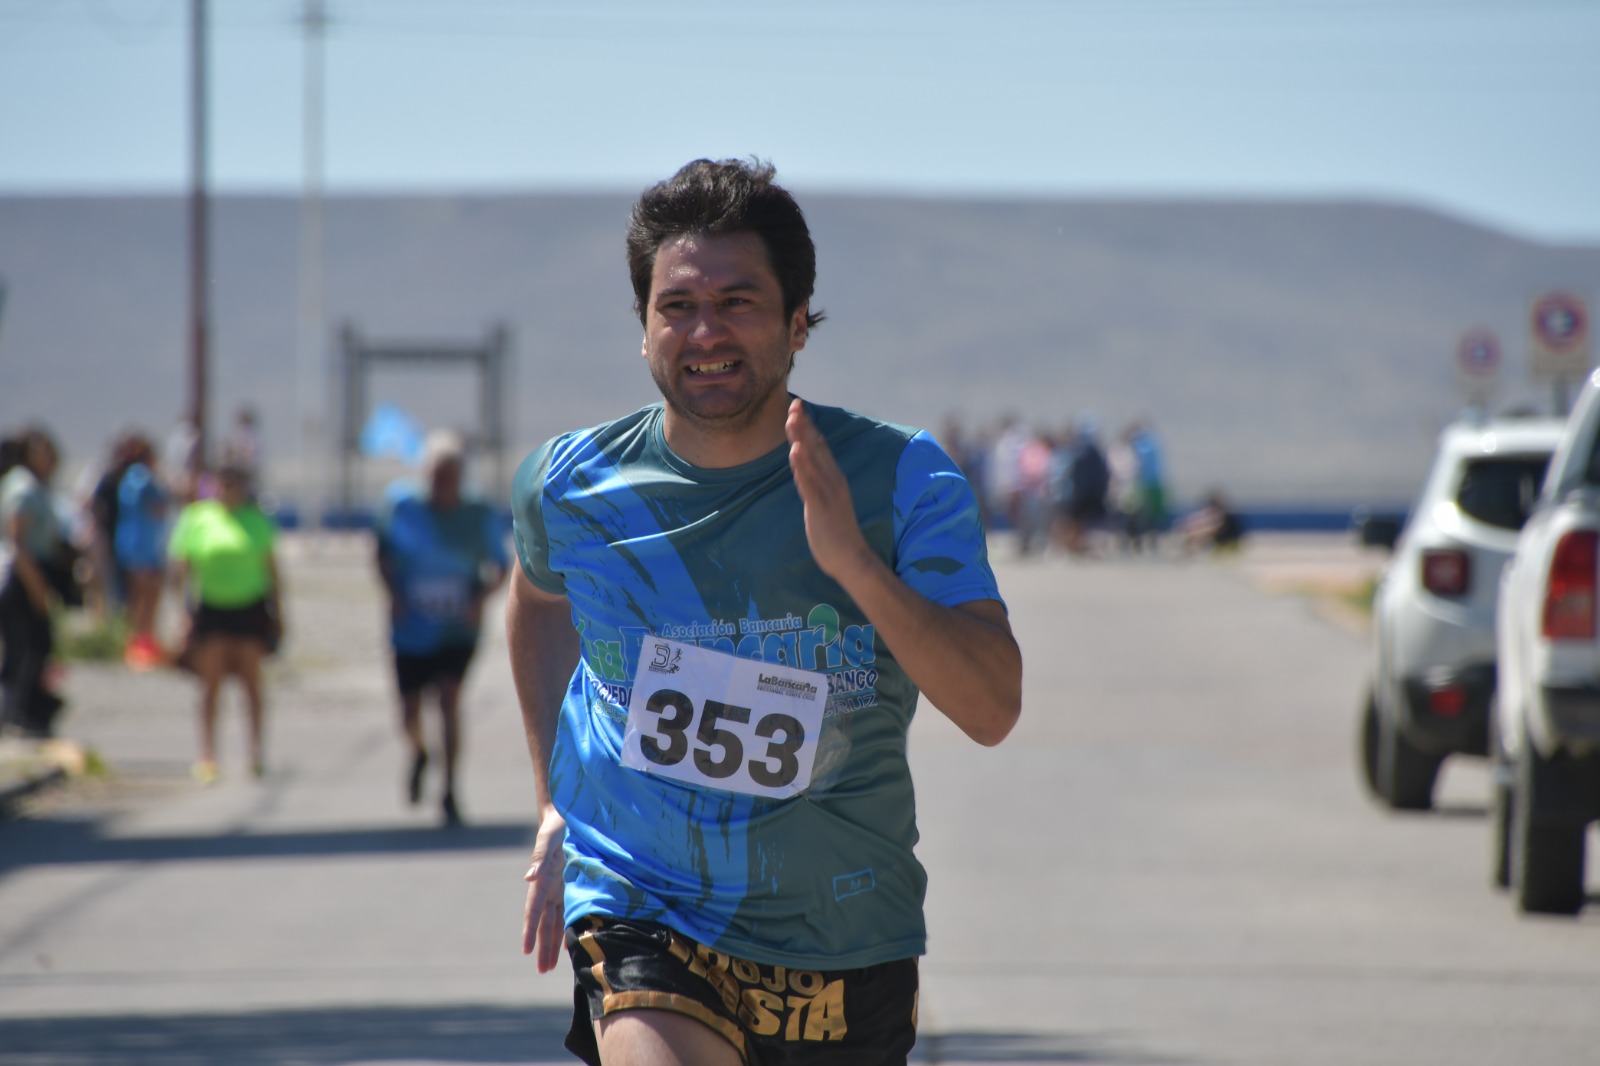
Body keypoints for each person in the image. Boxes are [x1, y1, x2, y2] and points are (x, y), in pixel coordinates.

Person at [506, 158, 1022, 1066]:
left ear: (796, 325)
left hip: (845, 940)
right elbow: (538, 600)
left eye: (738, 303)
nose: (705, 331)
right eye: (676, 307)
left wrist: (856, 566)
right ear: (643, 329)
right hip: (643, 904)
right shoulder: (572, 486)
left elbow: (990, 709)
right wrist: (555, 801)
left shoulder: (901, 477)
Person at [375, 430, 509, 827]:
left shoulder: (478, 513)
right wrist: (393, 593)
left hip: (456, 628)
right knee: (409, 709)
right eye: (434, 474)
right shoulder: (402, 506)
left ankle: (450, 788)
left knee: (449, 699)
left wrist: (479, 600)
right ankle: (418, 751)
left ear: (460, 475)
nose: (440, 484)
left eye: (448, 475)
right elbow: (381, 554)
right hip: (412, 626)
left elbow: (501, 566)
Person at [167, 460, 283, 783]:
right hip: (211, 609)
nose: (230, 489)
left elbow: (273, 572)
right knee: (210, 686)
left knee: (252, 685)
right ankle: (207, 756)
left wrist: (280, 615)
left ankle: (256, 755)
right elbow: (180, 571)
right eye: (224, 482)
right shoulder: (197, 518)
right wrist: (182, 617)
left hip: (249, 609)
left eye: (236, 482)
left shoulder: (257, 520)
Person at [0, 427, 74, 738]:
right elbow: (19, 543)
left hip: (34, 572)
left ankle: (27, 712)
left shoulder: (38, 487)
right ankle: (16, 713)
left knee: (36, 646)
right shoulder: (23, 488)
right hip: (22, 575)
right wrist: (37, 588)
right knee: (24, 648)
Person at [114, 434, 170, 669]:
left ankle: (134, 642)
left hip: (129, 543)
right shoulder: (144, 478)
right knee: (148, 596)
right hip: (143, 545)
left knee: (135, 598)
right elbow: (158, 507)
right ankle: (142, 643)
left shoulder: (127, 478)